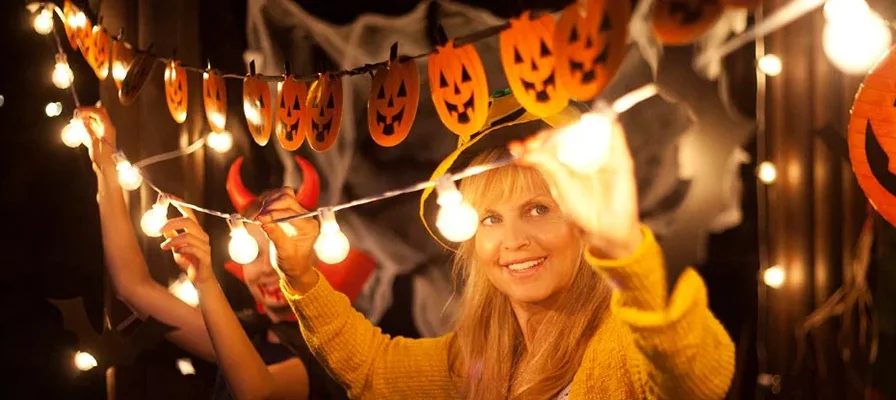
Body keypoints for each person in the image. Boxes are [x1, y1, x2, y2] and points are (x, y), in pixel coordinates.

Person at [254, 112, 737, 399]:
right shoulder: (480, 356)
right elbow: (372, 370)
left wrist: (626, 253)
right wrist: (300, 273)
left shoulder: (616, 346)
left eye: (538, 209)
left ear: (581, 220)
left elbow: (699, 379)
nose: (513, 240)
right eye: (490, 218)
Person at [78, 106, 374, 400]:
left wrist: (205, 282)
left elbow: (259, 389)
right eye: (255, 252)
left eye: (279, 250)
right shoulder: (246, 333)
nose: (269, 268)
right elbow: (132, 286)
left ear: (315, 253)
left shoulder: (329, 347)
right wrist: (104, 165)